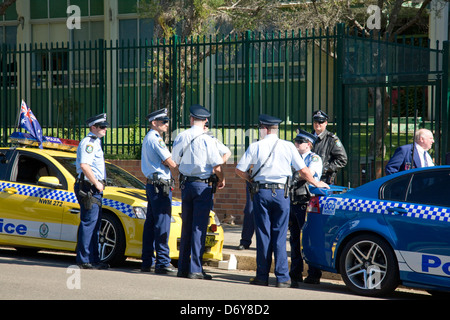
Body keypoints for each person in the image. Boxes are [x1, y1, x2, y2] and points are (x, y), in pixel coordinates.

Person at [235, 114, 329, 288]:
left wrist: (251, 179)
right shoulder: (287, 146)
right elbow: (303, 170)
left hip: (261, 192)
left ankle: (262, 276)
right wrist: (316, 182)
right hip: (282, 194)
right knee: (280, 235)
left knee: (263, 235)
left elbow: (239, 170)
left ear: (264, 129)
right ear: (276, 129)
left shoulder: (255, 146)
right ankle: (283, 278)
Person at [172, 104, 225, 280]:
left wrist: (180, 177)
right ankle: (195, 269)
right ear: (205, 121)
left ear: (191, 119)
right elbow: (217, 166)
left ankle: (182, 268)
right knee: (199, 228)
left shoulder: (181, 136)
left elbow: (174, 162)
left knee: (186, 226)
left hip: (186, 185)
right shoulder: (207, 139)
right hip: (203, 186)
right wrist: (222, 179)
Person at [141, 108, 178, 274]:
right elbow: (171, 162)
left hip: (153, 184)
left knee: (150, 224)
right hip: (160, 186)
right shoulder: (155, 139)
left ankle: (147, 261)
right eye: (163, 121)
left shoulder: (150, 137)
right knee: (162, 223)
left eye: (167, 121)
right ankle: (162, 262)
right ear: (154, 123)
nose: (167, 124)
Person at [74, 113, 109, 269]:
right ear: (93, 127)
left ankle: (94, 259)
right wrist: (96, 183)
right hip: (89, 187)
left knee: (95, 224)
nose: (105, 129)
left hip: (93, 187)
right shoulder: (89, 142)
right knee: (89, 223)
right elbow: (84, 165)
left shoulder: (96, 142)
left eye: (106, 126)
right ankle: (84, 259)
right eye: (102, 126)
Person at [289, 130, 322, 288]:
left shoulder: (314, 158)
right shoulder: (292, 157)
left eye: (299, 142)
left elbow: (309, 173)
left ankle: (314, 273)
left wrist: (296, 174)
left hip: (306, 202)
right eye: (295, 141)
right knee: (294, 238)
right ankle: (295, 273)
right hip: (292, 200)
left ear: (308, 144)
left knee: (308, 238)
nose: (296, 144)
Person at [311, 110, 347, 184]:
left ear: (326, 123)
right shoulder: (308, 138)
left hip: (324, 179)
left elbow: (342, 159)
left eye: (320, 122)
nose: (317, 124)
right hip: (308, 178)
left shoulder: (332, 139)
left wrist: (326, 168)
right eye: (315, 122)